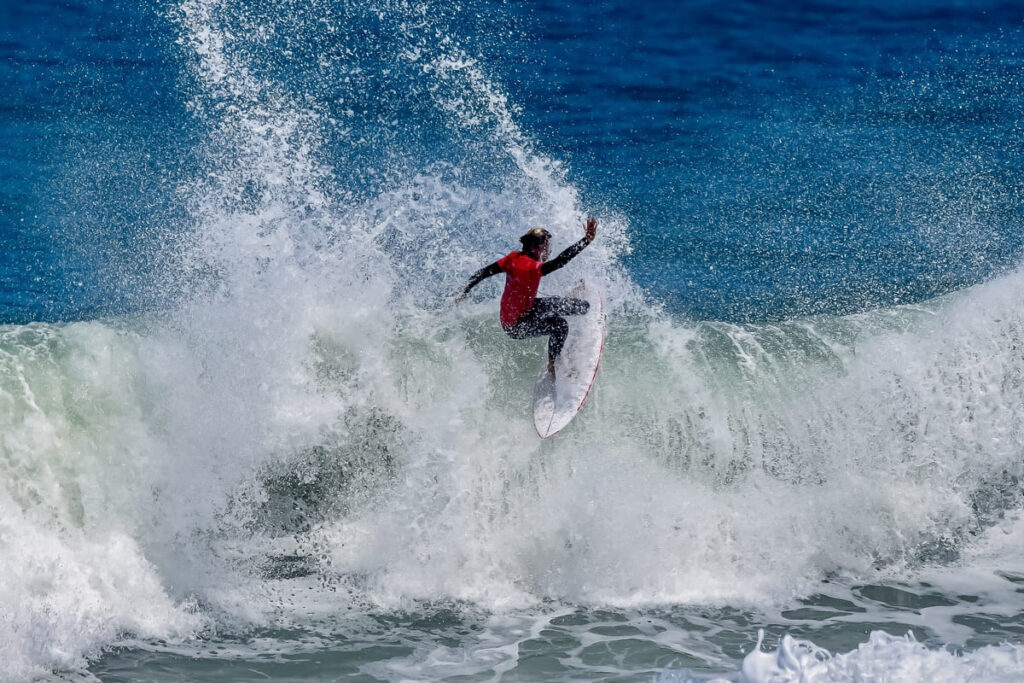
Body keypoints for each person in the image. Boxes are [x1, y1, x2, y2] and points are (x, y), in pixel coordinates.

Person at [456, 216, 598, 376]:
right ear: (534, 247)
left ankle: (572, 300)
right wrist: (586, 241)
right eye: (546, 246)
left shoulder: (513, 258)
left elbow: (483, 272)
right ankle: (553, 365)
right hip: (516, 326)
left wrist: (464, 290)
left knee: (576, 306)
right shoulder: (533, 267)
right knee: (560, 326)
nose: (548, 250)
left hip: (527, 308)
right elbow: (561, 261)